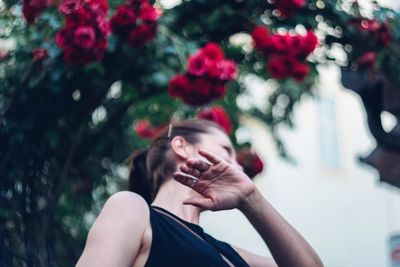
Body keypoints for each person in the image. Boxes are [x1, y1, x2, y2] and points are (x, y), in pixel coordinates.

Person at [76, 119, 323, 267]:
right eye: (226, 150)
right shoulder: (132, 210)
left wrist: (251, 197)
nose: (237, 168)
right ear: (181, 146)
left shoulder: (231, 254)